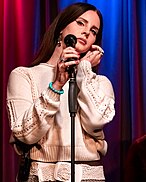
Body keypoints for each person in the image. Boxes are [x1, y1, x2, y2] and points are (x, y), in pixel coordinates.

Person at [6, 2, 115, 182]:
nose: (87, 32)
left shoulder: (99, 83)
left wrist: (84, 71)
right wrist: (56, 86)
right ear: (61, 27)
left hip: (88, 177)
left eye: (94, 31)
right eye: (81, 23)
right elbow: (25, 134)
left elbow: (95, 120)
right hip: (40, 176)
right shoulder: (24, 75)